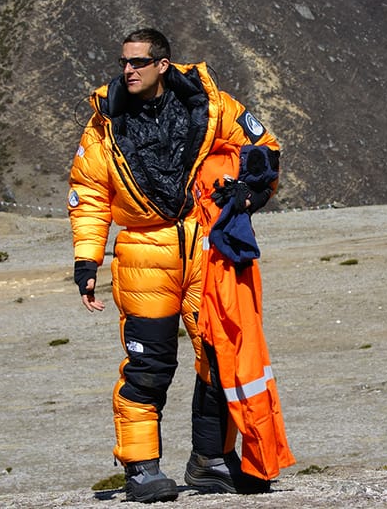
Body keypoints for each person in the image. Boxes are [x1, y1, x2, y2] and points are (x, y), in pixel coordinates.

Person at [67, 27, 293, 503]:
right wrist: (87, 261)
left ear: (162, 65)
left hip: (204, 249)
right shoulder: (104, 123)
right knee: (149, 367)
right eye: (124, 62)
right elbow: (88, 195)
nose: (127, 70)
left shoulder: (210, 106)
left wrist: (249, 195)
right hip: (143, 253)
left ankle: (210, 461)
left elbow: (265, 149)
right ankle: (141, 468)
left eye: (138, 63)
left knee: (216, 357)